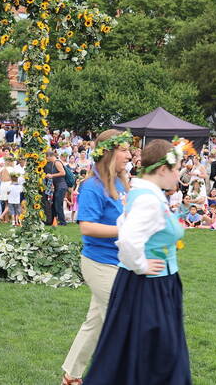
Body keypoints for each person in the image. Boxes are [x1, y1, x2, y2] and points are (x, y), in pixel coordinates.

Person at [84, 138, 192, 385]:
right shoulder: (147, 199)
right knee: (156, 357)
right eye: (176, 170)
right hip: (149, 286)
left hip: (153, 284)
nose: (179, 176)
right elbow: (128, 237)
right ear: (163, 170)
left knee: (141, 355)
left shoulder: (144, 192)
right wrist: (141, 264)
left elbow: (123, 222)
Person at [60, 130, 132, 385]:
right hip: (99, 264)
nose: (129, 154)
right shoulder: (92, 186)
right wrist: (126, 228)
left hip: (121, 262)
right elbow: (87, 227)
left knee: (95, 322)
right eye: (123, 149)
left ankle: (71, 376)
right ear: (109, 153)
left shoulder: (123, 183)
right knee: (123, 318)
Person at [44, 151, 68, 226]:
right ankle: (53, 221)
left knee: (58, 205)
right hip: (58, 186)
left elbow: (63, 173)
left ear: (49, 156)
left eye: (46, 157)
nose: (46, 159)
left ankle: (62, 222)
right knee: (55, 204)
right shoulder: (54, 163)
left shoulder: (57, 162)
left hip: (61, 186)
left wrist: (51, 175)